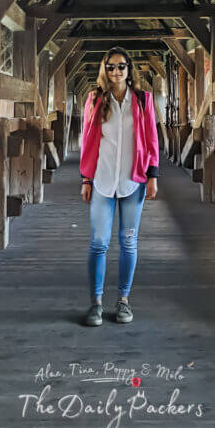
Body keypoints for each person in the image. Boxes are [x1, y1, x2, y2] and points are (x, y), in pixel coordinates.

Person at [78, 47, 159, 326]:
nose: (116, 72)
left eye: (121, 66)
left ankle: (123, 300)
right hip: (101, 180)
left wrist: (153, 175)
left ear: (129, 69)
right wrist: (86, 178)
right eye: (111, 67)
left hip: (133, 181)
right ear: (104, 69)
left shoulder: (142, 100)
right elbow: (88, 142)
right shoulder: (95, 100)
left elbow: (151, 139)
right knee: (99, 243)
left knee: (128, 242)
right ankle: (96, 304)